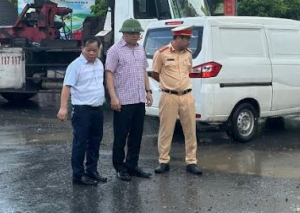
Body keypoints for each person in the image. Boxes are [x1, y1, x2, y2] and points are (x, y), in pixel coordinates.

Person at [105, 19, 153, 182]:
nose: (135, 36)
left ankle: (132, 165)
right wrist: (113, 97)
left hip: (139, 98)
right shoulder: (115, 51)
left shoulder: (140, 49)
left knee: (137, 135)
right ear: (124, 33)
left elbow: (143, 71)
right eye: (132, 33)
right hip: (123, 100)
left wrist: (148, 91)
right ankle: (119, 167)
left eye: (137, 33)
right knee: (121, 135)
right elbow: (109, 73)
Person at [151, 26, 202, 176]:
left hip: (187, 95)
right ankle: (163, 161)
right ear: (178, 38)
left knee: (190, 130)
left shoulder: (188, 54)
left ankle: (191, 162)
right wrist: (168, 84)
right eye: (187, 39)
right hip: (169, 96)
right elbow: (155, 73)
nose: (189, 42)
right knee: (166, 130)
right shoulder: (161, 53)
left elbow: (188, 72)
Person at [58, 37, 107, 186]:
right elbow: (67, 87)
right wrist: (63, 107)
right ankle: (78, 175)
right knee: (80, 143)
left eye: (95, 50)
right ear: (82, 49)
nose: (92, 53)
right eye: (88, 50)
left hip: (97, 109)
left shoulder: (99, 64)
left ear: (99, 50)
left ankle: (92, 170)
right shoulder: (75, 66)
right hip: (82, 110)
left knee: (95, 141)